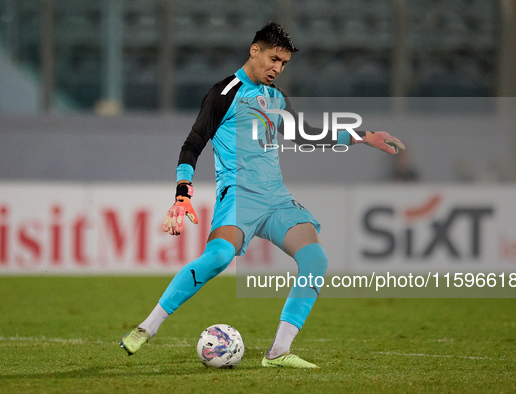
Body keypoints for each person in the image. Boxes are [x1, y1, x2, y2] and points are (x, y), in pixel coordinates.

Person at [120, 22, 405, 368]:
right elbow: (192, 145)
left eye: (283, 64)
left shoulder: (277, 98)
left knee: (316, 260)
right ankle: (146, 328)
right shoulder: (224, 93)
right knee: (218, 258)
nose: (277, 68)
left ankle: (279, 352)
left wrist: (362, 136)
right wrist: (183, 195)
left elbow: (306, 136)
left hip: (276, 199)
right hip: (238, 197)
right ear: (254, 50)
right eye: (273, 59)